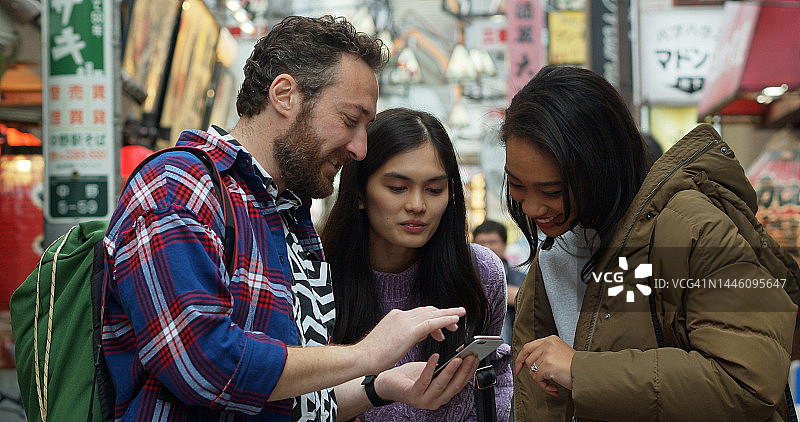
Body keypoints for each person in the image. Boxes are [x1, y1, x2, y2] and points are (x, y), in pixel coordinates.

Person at [102, 16, 479, 422]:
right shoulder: (180, 185)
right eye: (350, 121)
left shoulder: (289, 215)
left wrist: (378, 387)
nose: (360, 148)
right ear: (284, 95)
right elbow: (201, 364)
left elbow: (293, 404)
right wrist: (365, 355)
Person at [502, 65, 798, 421]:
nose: (533, 208)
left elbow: (747, 381)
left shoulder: (692, 228)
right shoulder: (558, 246)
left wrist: (582, 372)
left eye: (552, 191)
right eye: (517, 185)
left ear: (601, 166)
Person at [321, 107, 513, 421]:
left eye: (434, 190)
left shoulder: (480, 272)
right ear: (359, 192)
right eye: (397, 188)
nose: (417, 205)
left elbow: (494, 377)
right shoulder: (316, 277)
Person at [472, 220, 526, 345]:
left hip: (512, 351)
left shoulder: (521, 279)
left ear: (505, 245)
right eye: (481, 243)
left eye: (493, 242)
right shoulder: (464, 279)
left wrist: (520, 298)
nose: (487, 248)